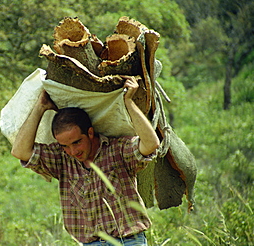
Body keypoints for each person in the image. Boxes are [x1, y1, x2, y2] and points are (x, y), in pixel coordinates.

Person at [11, 76, 160, 246]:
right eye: (65, 146)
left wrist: (128, 102)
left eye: (77, 142)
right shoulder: (61, 159)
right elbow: (20, 151)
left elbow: (150, 144)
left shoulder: (117, 150)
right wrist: (40, 107)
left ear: (90, 133)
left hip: (129, 241)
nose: (73, 151)